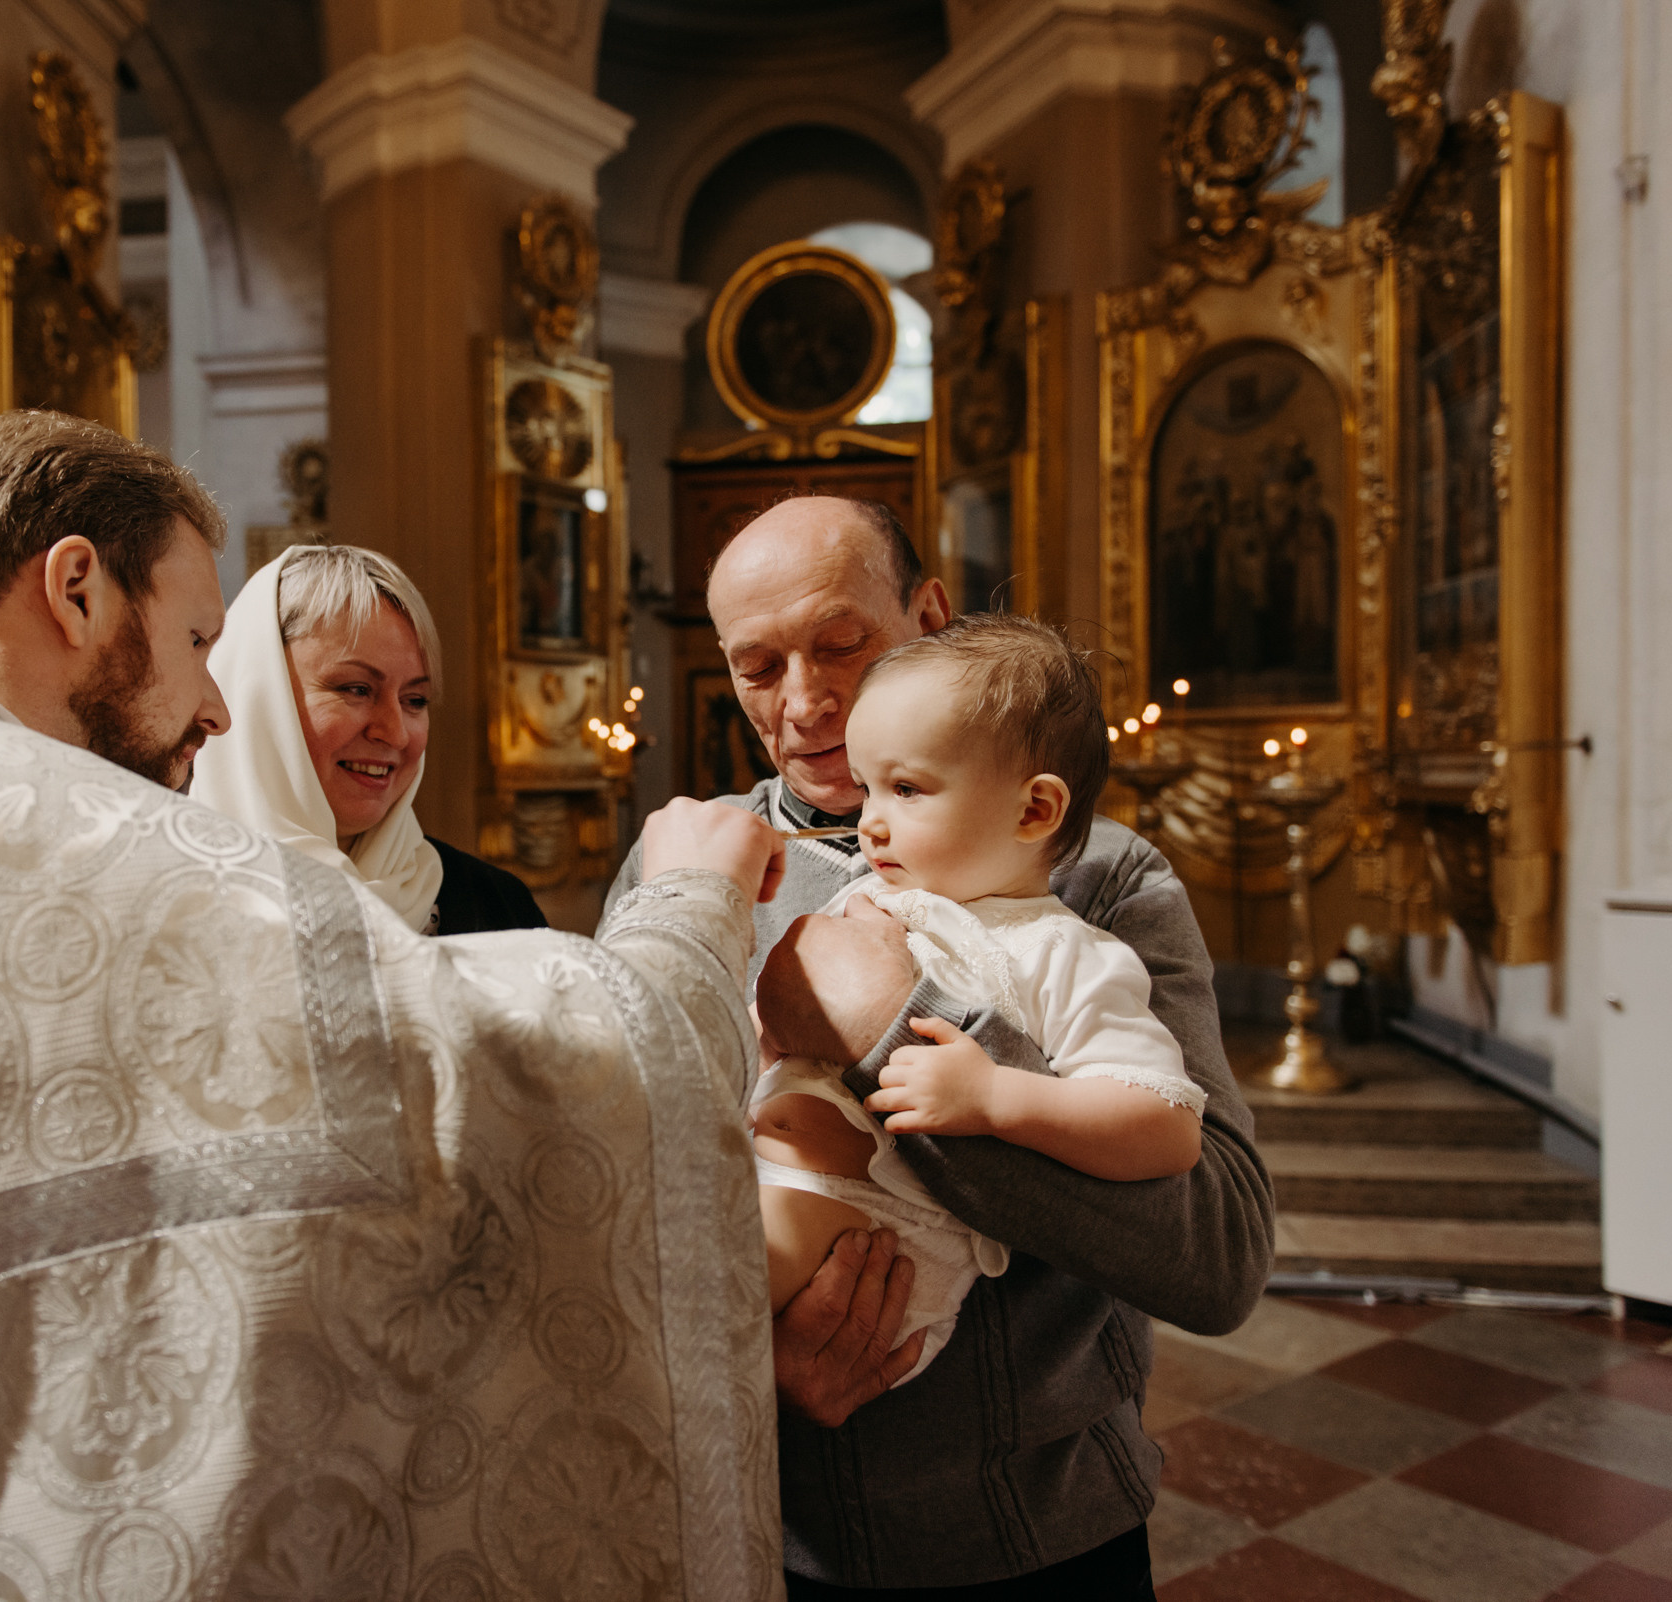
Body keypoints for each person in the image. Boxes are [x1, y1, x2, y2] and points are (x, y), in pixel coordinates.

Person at [0, 412, 794, 1600]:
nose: (212, 703)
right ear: (76, 589)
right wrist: (686, 912)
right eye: (198, 640)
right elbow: (490, 1068)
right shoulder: (41, 852)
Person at [604, 494, 1274, 1598]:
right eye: (757, 667)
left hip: (1033, 1532)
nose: (807, 704)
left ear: (929, 610)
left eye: (842, 645)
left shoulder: (1093, 872)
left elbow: (1219, 1257)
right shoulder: (685, 864)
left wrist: (886, 1021)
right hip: (749, 1527)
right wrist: (749, 1367)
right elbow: (612, 1183)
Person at [750, 614, 1203, 1385]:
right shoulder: (878, 896)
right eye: (866, 789)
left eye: (906, 788)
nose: (869, 822)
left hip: (869, 1227)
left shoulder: (1068, 952)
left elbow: (1167, 1127)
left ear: (1034, 811)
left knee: (652, 1283)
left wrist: (996, 1095)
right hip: (774, 1177)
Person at [192, 543, 544, 936]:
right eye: (356, 689)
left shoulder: (498, 906)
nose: (394, 733)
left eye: (415, 700)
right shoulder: (167, 905)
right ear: (259, 699)